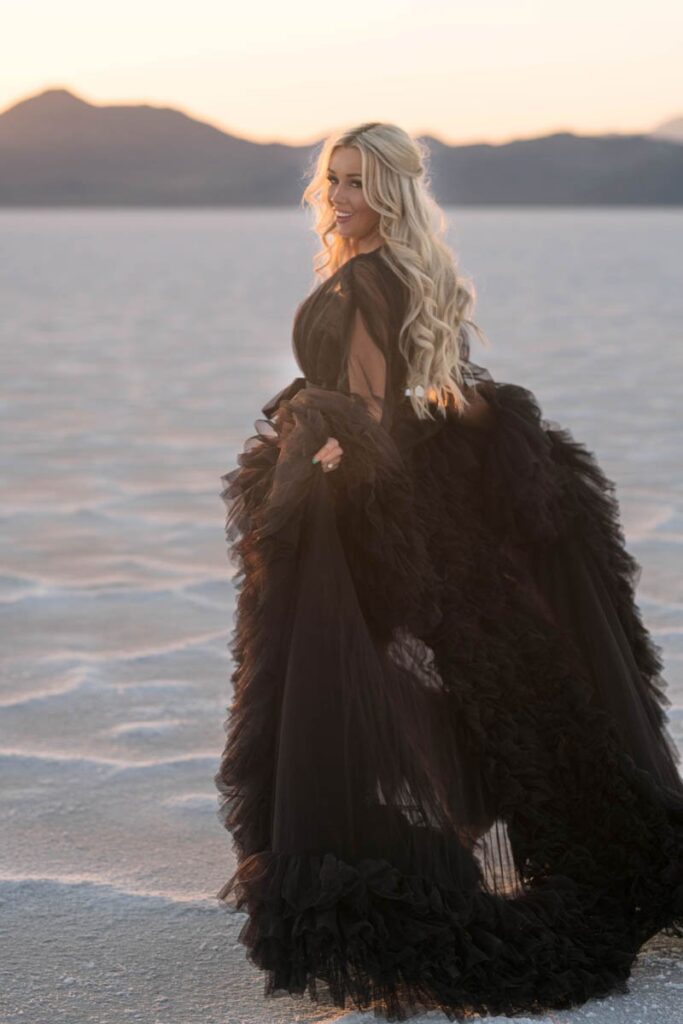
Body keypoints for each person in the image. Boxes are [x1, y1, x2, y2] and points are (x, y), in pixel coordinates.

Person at [214, 122, 683, 1021]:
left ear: (391, 191)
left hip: (380, 505)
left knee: (362, 687)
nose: (340, 197)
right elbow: (445, 391)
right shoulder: (412, 274)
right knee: (480, 679)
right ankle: (568, 845)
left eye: (358, 183)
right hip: (428, 500)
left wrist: (322, 458)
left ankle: (401, 883)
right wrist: (491, 434)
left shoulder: (360, 281)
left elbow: (374, 413)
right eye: (333, 180)